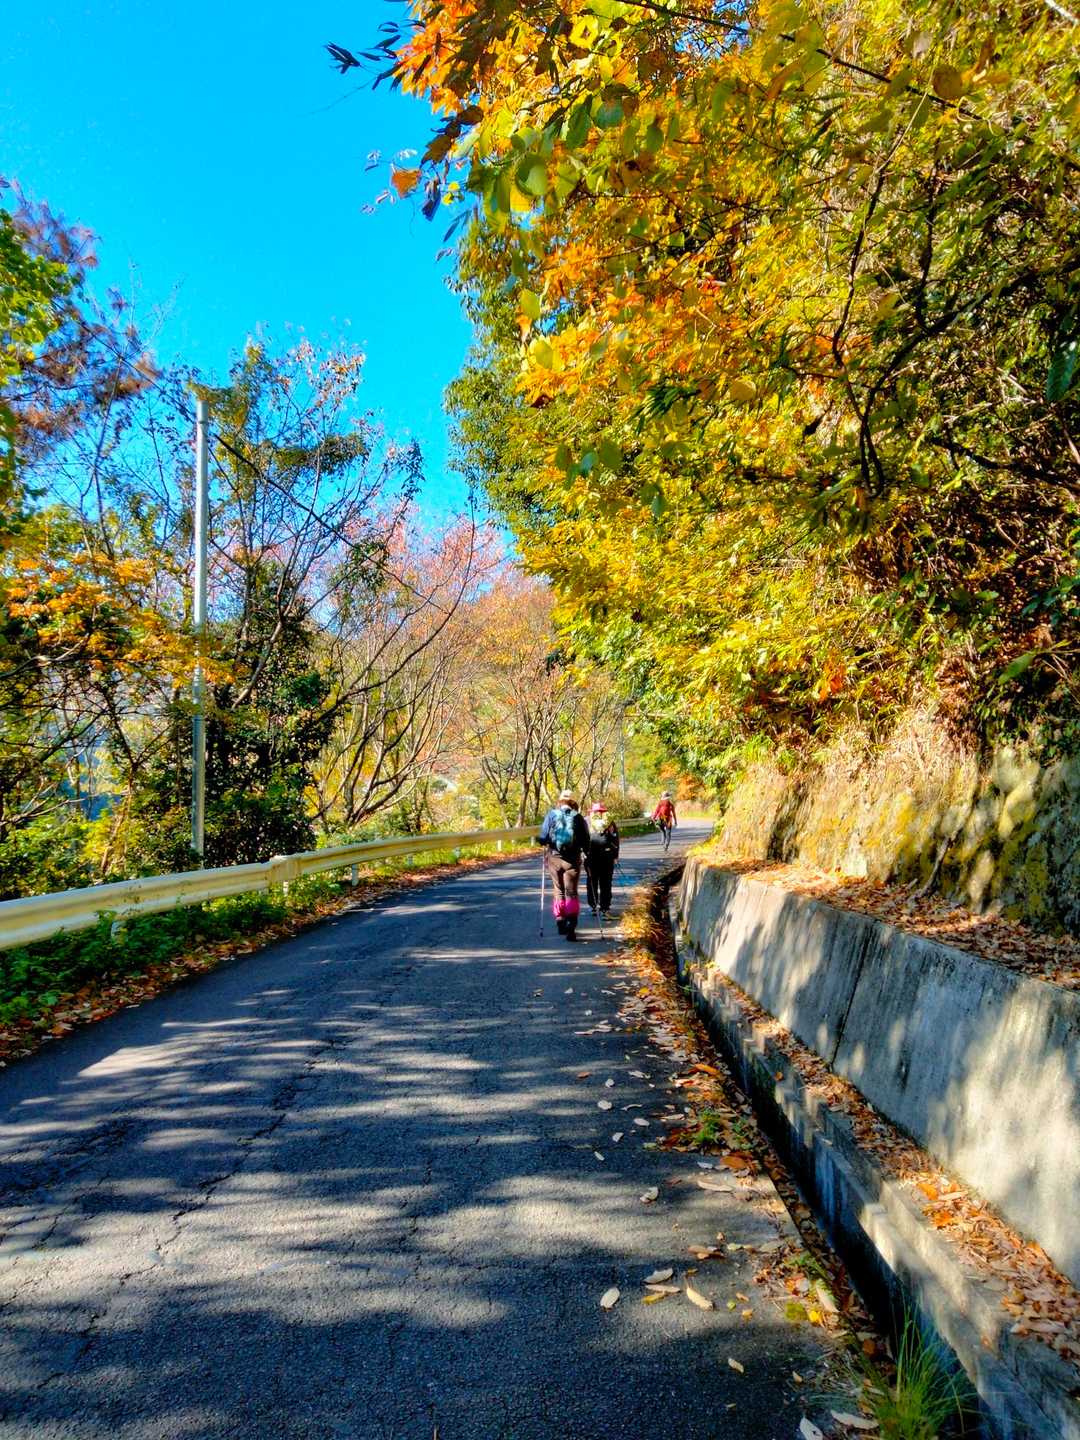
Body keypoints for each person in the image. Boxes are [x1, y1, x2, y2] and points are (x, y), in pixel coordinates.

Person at [537, 788, 591, 941]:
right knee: (571, 892)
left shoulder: (551, 815)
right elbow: (586, 839)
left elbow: (543, 837)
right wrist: (585, 852)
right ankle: (571, 928)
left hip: (554, 858)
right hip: (572, 860)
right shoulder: (578, 817)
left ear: (560, 801)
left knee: (559, 890)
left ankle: (560, 921)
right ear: (573, 802)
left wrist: (545, 842)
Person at [585, 802, 620, 919]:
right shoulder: (610, 822)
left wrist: (582, 854)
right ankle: (605, 908)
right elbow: (615, 839)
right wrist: (615, 856)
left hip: (591, 857)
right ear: (603, 811)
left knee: (592, 881)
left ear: (592, 811)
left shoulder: (587, 821)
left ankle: (593, 906)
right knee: (606, 882)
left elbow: (582, 839)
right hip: (607, 856)